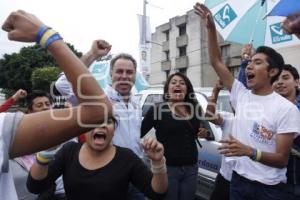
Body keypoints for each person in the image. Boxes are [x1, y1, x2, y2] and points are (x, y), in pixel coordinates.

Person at [0, 10, 112, 200]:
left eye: (47, 104)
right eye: (39, 106)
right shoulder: (11, 135)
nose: (45, 108)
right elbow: (75, 91)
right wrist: (46, 35)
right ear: (28, 114)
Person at [194, 3, 300, 200]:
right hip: (238, 182)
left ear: (273, 72)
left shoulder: (287, 109)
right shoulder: (240, 94)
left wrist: (249, 151)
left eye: (257, 62)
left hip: (269, 190)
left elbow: (281, 160)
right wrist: (210, 28)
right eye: (250, 62)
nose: (249, 66)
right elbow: (216, 61)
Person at [55, 41, 145, 199]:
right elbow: (62, 83)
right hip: (109, 176)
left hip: (136, 175)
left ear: (135, 75)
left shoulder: (135, 103)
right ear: (111, 74)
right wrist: (92, 54)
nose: (124, 76)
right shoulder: (98, 97)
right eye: (119, 71)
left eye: (129, 72)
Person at [27, 116, 168, 200]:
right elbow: (35, 186)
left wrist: (158, 163)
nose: (101, 125)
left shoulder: (127, 157)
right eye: (94, 121)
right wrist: (45, 153)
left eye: (107, 121)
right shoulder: (69, 151)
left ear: (114, 130)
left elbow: (156, 193)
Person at [141, 72, 212, 200]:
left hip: (191, 168)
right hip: (168, 169)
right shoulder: (158, 109)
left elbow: (206, 132)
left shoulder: (194, 108)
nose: (178, 84)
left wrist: (204, 133)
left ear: (187, 89)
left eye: (182, 83)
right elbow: (137, 133)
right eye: (173, 82)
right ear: (168, 89)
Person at [272, 64, 300, 199]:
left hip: (295, 182)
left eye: (285, 77)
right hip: (272, 181)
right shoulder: (266, 110)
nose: (280, 82)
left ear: (297, 81)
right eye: (276, 79)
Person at [204, 80, 233, 200]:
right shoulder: (229, 118)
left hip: (246, 182)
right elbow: (209, 115)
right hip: (225, 178)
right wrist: (216, 90)